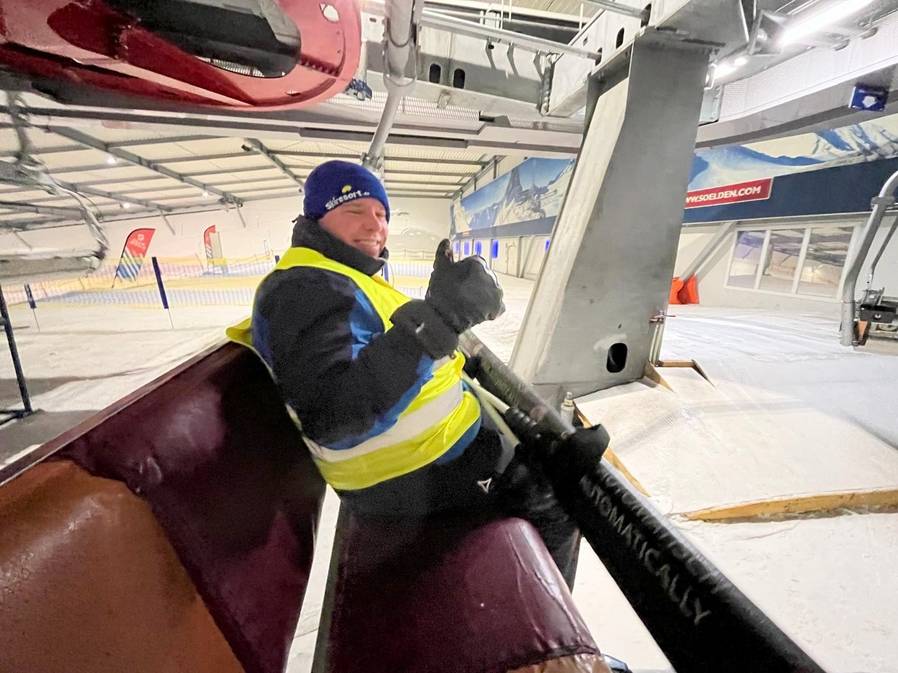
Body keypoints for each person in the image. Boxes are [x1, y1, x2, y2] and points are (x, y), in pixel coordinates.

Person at [228, 160, 579, 586]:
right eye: (354, 210)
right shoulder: (304, 288)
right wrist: (442, 316)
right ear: (316, 218)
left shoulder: (339, 277)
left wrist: (443, 325)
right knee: (560, 499)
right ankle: (543, 623)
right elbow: (336, 415)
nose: (374, 225)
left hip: (427, 456)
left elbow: (392, 360)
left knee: (549, 454)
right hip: (411, 478)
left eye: (382, 214)